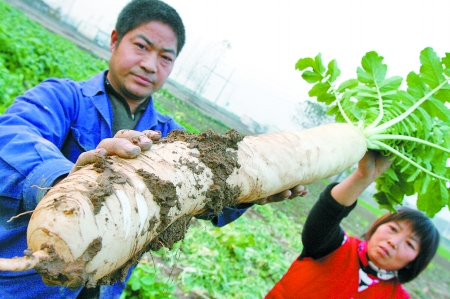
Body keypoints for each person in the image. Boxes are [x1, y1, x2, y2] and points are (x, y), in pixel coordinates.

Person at [0, 0, 305, 298]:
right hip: (25, 284)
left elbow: (208, 194)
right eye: (142, 46)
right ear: (115, 40)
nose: (149, 64)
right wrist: (66, 183)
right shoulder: (64, 97)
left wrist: (249, 192)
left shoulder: (170, 138)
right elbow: (11, 136)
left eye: (165, 57)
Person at [265, 151, 440, 299]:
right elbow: (326, 215)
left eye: (409, 244)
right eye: (393, 229)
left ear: (414, 261)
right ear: (377, 227)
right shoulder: (335, 247)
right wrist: (363, 176)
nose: (393, 242)